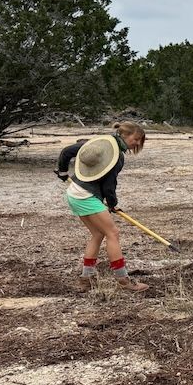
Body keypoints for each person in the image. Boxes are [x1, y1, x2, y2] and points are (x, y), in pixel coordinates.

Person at [56, 121, 149, 292]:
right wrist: (112, 204)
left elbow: (67, 151)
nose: (137, 143)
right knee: (112, 233)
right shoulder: (117, 156)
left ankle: (86, 279)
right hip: (85, 196)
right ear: (125, 135)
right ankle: (123, 281)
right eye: (136, 139)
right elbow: (109, 185)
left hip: (74, 192)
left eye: (140, 141)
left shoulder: (102, 141)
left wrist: (62, 172)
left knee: (98, 233)